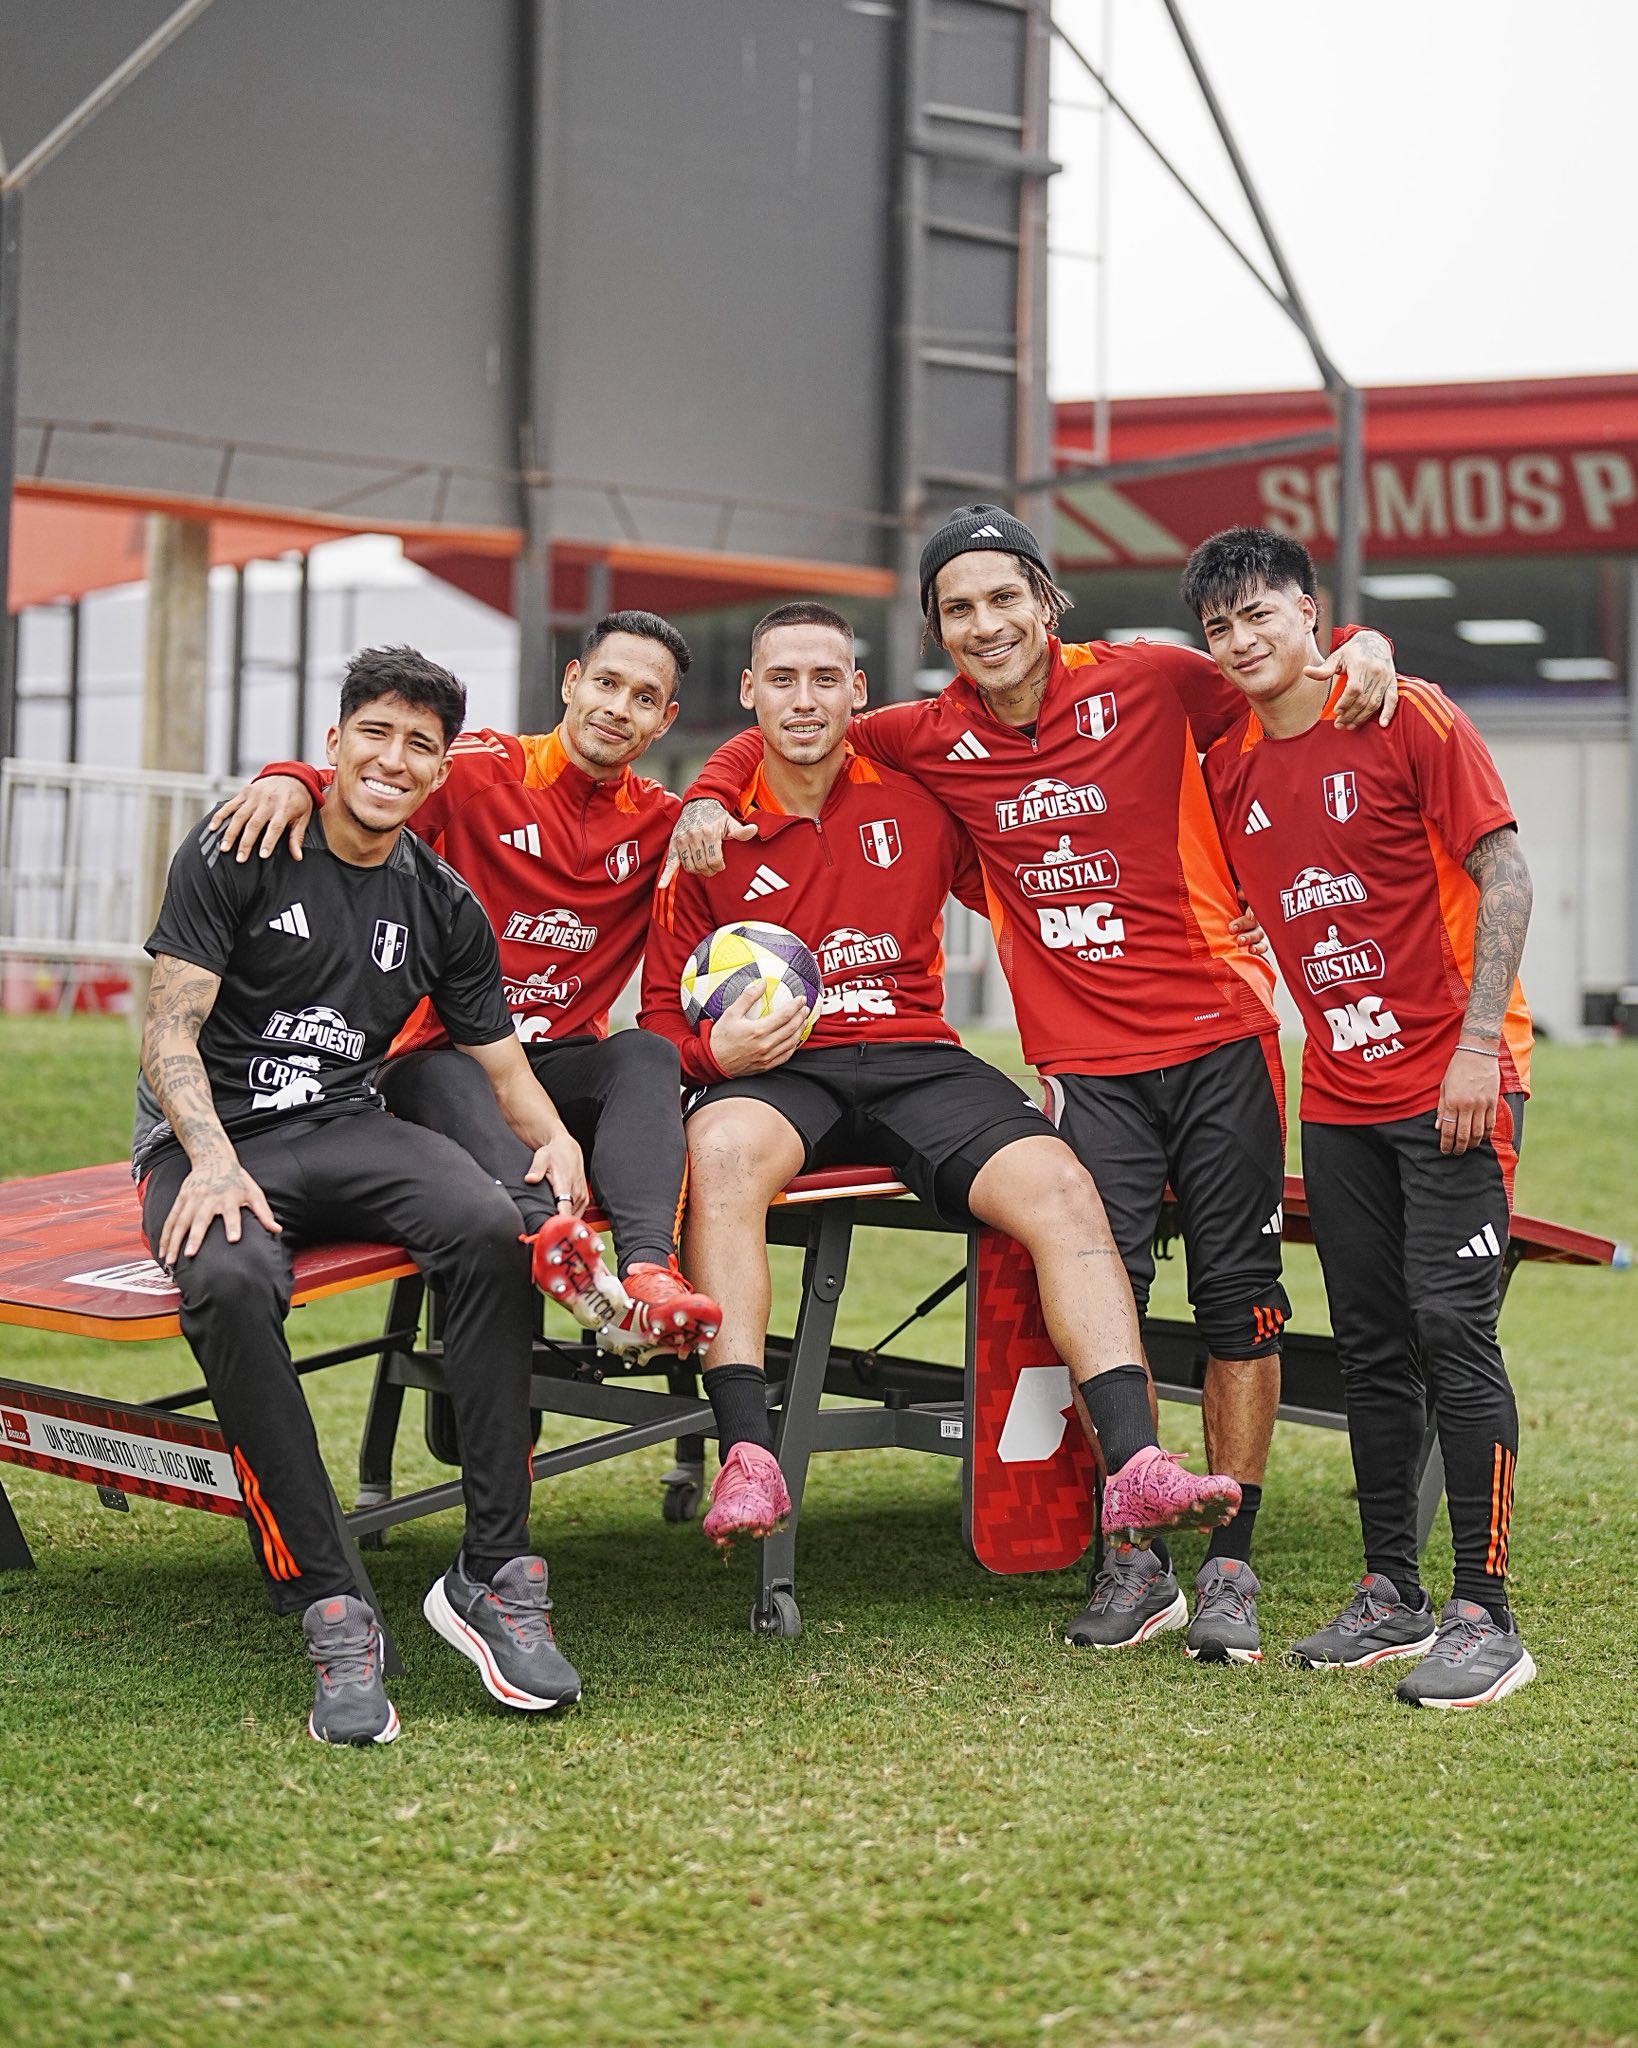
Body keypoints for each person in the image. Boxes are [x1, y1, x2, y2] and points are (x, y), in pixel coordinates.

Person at [667, 509, 1397, 1660]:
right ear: (936, 630)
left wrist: (1355, 645)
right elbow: (790, 725)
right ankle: (1136, 1559)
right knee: (1112, 1275)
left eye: (1004, 597)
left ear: (1047, 602)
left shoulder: (1154, 678)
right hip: (1084, 1067)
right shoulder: (921, 735)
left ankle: (1234, 1567)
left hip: (1222, 1039)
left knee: (1239, 1305)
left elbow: (1277, 678)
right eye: (959, 607)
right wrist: (710, 787)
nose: (986, 623)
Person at [641, 600, 1244, 1558]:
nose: (806, 700)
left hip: (916, 1057)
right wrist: (716, 1059)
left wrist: (1220, 906)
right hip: (784, 1070)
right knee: (717, 1149)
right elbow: (660, 1023)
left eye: (826, 678)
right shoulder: (704, 837)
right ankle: (748, 1453)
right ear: (750, 693)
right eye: (783, 680)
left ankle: (1135, 1468)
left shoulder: (919, 791)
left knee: (1059, 1181)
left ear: (859, 693)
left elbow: (1049, 876)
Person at [137, 646, 587, 1747]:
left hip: (347, 1129)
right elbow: (167, 1030)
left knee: (490, 1225)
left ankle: (492, 1574)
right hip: (213, 1144)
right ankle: (334, 1606)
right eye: (374, 734)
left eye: (420, 745)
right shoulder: (242, 839)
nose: (394, 759)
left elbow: (502, 1063)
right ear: (333, 744)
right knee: (232, 1279)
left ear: (441, 770)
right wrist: (210, 1157)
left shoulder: (440, 901)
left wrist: (559, 1140)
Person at [1188, 525, 1536, 1709]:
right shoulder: (1229, 766)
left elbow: (1507, 872)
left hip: (1459, 1080)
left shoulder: (1406, 713)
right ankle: (1391, 1591)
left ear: (1313, 612)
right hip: (1338, 1094)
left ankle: (1487, 1614)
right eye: (1219, 627)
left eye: (1261, 616)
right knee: (1377, 1348)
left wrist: (1481, 1045)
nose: (1240, 642)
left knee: (1454, 1332)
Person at [212, 611, 721, 1361]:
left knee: (645, 1054)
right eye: (607, 683)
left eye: (644, 698)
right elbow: (371, 780)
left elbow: (749, 801)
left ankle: (647, 1276)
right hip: (434, 1063)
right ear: (572, 682)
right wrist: (288, 780)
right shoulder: (483, 768)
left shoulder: (660, 823)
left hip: (554, 1072)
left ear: (664, 720)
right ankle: (556, 1246)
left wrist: (708, 802)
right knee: (451, 1066)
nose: (619, 707)